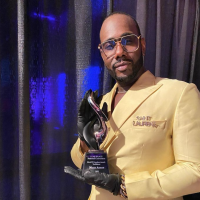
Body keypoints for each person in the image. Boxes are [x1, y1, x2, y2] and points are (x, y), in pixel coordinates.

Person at [65, 12, 200, 200]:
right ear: (103, 54)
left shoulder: (179, 93)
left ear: (142, 45)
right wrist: (85, 142)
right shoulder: (101, 102)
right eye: (109, 45)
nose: (119, 52)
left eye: (127, 41)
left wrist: (122, 185)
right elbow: (82, 164)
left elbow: (195, 172)